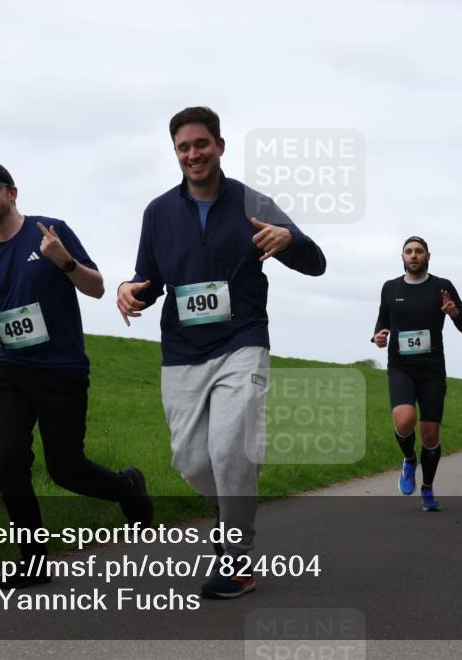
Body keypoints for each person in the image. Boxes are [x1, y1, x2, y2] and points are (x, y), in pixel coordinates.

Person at [116, 107, 326, 599]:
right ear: (176, 153)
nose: (193, 154)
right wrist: (128, 290)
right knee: (190, 461)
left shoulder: (253, 202)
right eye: (184, 147)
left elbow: (315, 263)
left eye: (201, 144)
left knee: (229, 450)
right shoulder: (158, 212)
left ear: (220, 146)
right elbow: (149, 280)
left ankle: (236, 560)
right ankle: (232, 503)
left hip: (242, 341)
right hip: (183, 350)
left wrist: (289, 239)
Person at [0, 161, 151, 589]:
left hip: (62, 369)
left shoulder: (50, 231)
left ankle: (128, 488)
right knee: (7, 461)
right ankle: (33, 560)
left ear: (12, 192)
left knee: (67, 470)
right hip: (11, 370)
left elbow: (95, 288)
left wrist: (65, 261)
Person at [373, 236, 462, 511]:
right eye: (408, 251)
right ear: (402, 256)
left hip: (431, 370)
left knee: (430, 435)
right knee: (405, 419)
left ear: (428, 256)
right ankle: (408, 459)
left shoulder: (442, 286)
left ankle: (427, 487)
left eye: (419, 251)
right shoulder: (390, 288)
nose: (413, 255)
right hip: (400, 366)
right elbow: (383, 322)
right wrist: (378, 337)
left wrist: (453, 313)